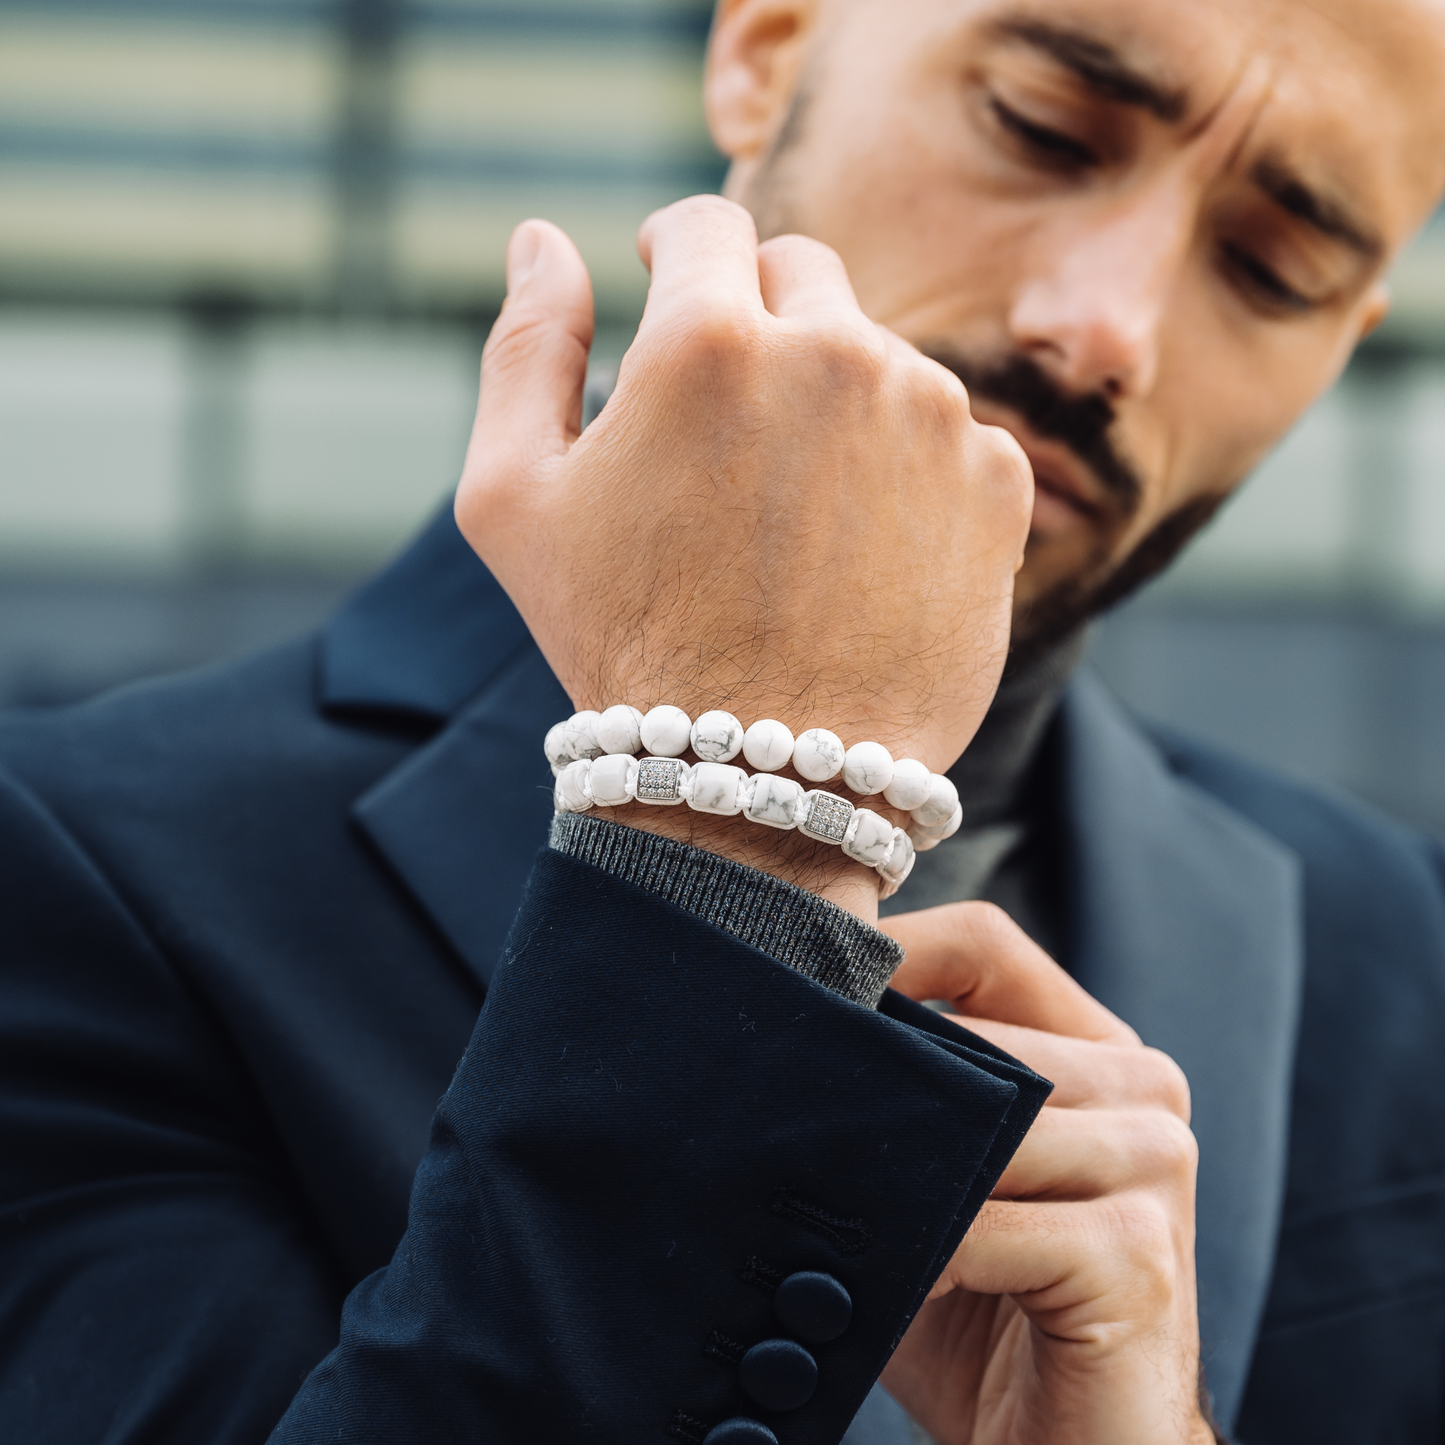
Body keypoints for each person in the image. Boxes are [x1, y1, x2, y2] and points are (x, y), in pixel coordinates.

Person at [3, 0, 1445, 1440]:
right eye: (1041, 130)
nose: (1102, 331)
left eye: (1273, 269)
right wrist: (731, 846)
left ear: (1352, 330)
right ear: (766, 51)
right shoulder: (79, 867)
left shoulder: (1393, 951)